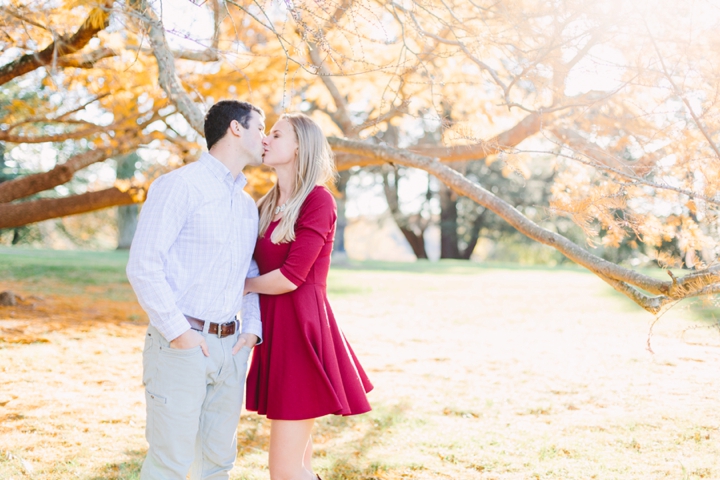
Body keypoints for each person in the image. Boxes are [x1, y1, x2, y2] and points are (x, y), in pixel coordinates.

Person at [126, 100, 266, 480]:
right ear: (236, 129)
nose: (265, 138)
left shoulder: (246, 204)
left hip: (231, 346)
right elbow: (143, 265)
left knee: (217, 464)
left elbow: (248, 271)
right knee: (168, 465)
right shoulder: (179, 185)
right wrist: (180, 334)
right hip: (180, 344)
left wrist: (251, 329)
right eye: (260, 127)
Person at [244, 113, 373, 480]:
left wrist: (242, 286)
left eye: (276, 134)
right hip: (274, 332)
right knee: (299, 468)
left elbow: (291, 277)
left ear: (300, 146)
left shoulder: (318, 200)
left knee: (283, 473)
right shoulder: (266, 204)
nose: (266, 139)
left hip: (300, 332)